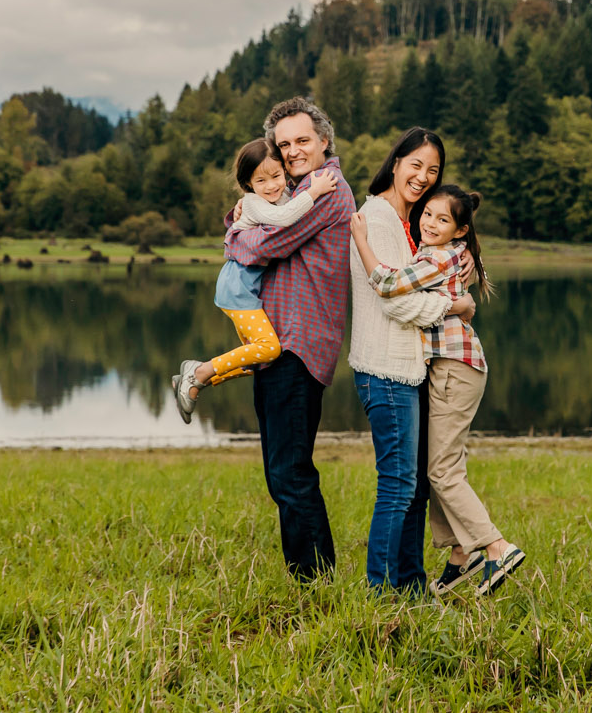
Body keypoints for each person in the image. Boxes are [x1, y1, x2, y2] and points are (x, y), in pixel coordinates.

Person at [351, 183, 525, 596]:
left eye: (442, 219)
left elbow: (389, 286)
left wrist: (360, 239)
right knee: (439, 464)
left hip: (453, 368)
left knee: (442, 470)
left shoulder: (434, 256)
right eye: (427, 213)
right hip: (453, 368)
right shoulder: (447, 253)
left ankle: (497, 547)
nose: (430, 222)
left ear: (459, 230)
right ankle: (462, 557)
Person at [221, 98, 356, 580]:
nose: (294, 151)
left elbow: (266, 246)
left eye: (302, 140)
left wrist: (236, 234)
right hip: (279, 346)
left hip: (299, 346)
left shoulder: (329, 192)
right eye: (284, 145)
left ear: (324, 141)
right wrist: (243, 224)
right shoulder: (289, 195)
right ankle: (310, 577)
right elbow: (254, 239)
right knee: (281, 469)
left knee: (291, 471)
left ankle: (316, 582)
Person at [346, 128, 476, 593]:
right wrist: (456, 307)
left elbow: (438, 267)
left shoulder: (414, 220)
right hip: (385, 370)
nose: (423, 177)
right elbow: (395, 304)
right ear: (396, 162)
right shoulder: (378, 219)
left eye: (433, 170)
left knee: (416, 487)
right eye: (415, 165)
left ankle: (412, 586)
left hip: (410, 368)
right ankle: (380, 591)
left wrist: (468, 267)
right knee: (398, 486)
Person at [170, 138, 340, 423]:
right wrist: (316, 191)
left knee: (258, 360)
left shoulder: (281, 193)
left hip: (244, 286)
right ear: (248, 185)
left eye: (275, 176)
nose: (271, 185)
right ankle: (199, 372)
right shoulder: (252, 203)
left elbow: (287, 203)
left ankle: (193, 379)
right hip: (237, 287)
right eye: (261, 181)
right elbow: (286, 217)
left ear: (284, 171)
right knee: (269, 349)